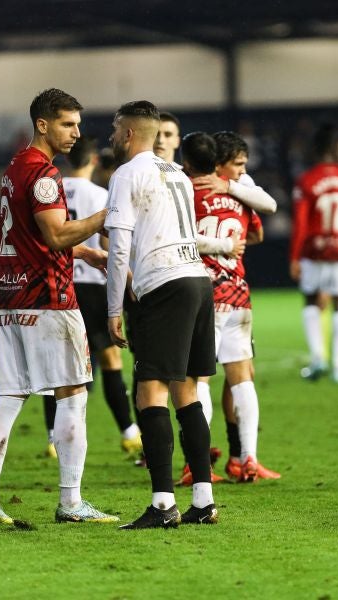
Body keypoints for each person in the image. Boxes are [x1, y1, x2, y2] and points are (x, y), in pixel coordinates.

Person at [0, 88, 117, 527]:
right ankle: (71, 502)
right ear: (43, 124)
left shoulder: (15, 167)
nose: (76, 133)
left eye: (77, 124)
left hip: (10, 299)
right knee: (73, 395)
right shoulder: (45, 175)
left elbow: (31, 239)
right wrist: (106, 216)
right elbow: (54, 236)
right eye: (67, 124)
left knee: (9, 396)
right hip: (49, 301)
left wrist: (83, 253)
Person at [106, 100, 218, 528]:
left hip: (164, 285)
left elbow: (119, 249)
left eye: (116, 130)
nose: (112, 137)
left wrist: (114, 308)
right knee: (186, 390)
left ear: (131, 133)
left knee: (149, 392)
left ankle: (162, 504)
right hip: (197, 280)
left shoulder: (126, 174)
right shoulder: (178, 174)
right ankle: (203, 500)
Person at [183, 131, 281, 484]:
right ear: (220, 163)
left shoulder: (186, 191)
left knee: (200, 379)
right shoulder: (240, 199)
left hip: (203, 292)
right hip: (237, 291)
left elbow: (176, 238)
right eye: (237, 165)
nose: (242, 172)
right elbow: (257, 232)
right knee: (242, 379)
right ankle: (248, 458)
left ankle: (199, 464)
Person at [61, 135, 142, 458]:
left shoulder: (52, 191)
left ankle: (54, 438)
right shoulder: (100, 194)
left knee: (61, 365)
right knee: (110, 359)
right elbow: (110, 250)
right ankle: (127, 431)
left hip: (64, 283)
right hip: (94, 284)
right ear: (94, 159)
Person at [290, 125, 338, 383]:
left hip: (315, 251)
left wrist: (294, 257)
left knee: (312, 301)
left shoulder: (307, 179)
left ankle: (318, 359)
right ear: (335, 150)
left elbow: (300, 223)